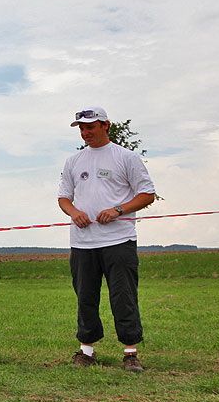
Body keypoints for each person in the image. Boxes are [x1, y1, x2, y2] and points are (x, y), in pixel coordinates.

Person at [57, 106, 156, 372]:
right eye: (81, 128)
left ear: (105, 125)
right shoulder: (73, 161)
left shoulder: (126, 157)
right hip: (83, 243)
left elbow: (147, 194)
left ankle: (130, 353)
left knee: (123, 297)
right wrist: (75, 212)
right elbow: (64, 198)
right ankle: (86, 351)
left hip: (118, 241)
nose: (85, 132)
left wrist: (118, 210)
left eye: (90, 127)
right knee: (85, 297)